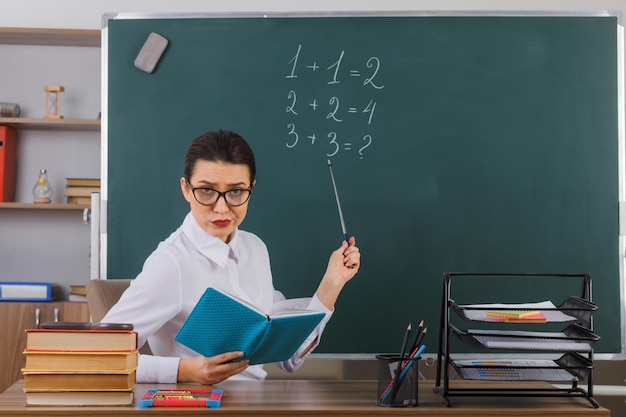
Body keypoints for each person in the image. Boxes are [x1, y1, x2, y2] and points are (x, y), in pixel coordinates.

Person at [102, 129, 360, 384]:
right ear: (186, 189)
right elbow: (102, 355)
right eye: (206, 190)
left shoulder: (254, 248)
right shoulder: (171, 262)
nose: (222, 207)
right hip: (198, 407)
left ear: (251, 188)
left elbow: (289, 358)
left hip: (257, 403)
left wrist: (332, 282)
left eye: (236, 191)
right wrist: (186, 371)